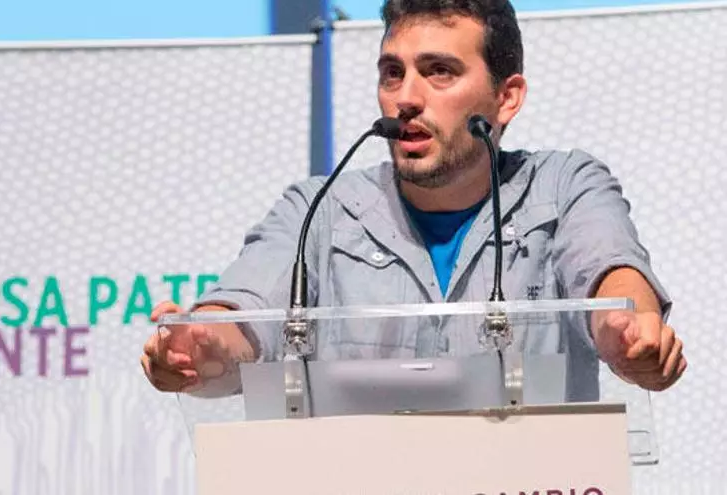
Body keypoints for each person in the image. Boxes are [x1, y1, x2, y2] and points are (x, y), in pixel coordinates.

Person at [141, 0, 686, 399]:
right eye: (392, 73)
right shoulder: (318, 210)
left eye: (438, 71)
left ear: (506, 97)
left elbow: (609, 268)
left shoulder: (565, 186)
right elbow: (245, 309)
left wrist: (628, 325)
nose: (405, 97)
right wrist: (201, 340)